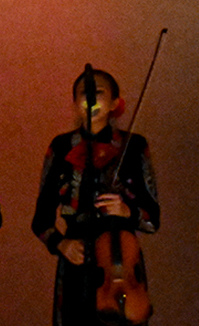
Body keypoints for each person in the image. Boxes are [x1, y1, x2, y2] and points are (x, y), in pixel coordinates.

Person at [31, 68, 158, 326]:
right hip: (76, 261)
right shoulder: (60, 147)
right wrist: (61, 244)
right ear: (75, 104)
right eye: (83, 94)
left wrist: (126, 211)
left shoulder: (134, 146)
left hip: (120, 259)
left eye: (98, 92)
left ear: (115, 103)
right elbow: (41, 220)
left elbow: (152, 219)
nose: (90, 99)